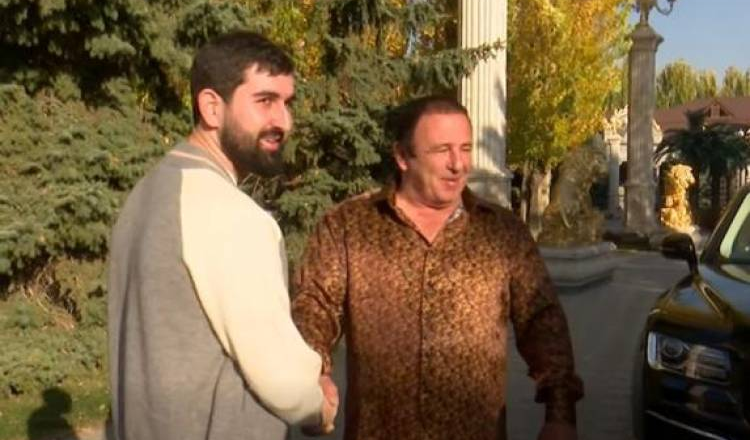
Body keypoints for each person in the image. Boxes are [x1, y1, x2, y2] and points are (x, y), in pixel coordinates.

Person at [291, 96, 583, 440]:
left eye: (465, 148)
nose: (458, 164)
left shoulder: (502, 233)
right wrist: (315, 374)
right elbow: (315, 307)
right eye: (442, 150)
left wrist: (560, 414)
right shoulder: (349, 226)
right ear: (403, 156)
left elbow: (542, 321)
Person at [107, 31, 337, 440]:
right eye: (265, 101)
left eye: (287, 103)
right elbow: (281, 377)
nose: (284, 121)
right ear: (212, 107)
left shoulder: (147, 194)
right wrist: (318, 404)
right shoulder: (229, 213)